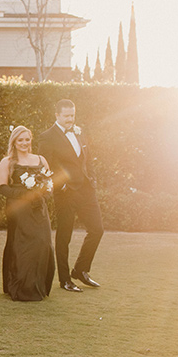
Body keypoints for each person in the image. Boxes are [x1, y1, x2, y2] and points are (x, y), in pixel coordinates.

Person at [38, 99, 103, 291]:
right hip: (65, 194)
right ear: (57, 115)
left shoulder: (80, 132)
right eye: (66, 116)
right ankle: (65, 279)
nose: (70, 119)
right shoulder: (47, 136)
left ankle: (81, 270)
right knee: (64, 236)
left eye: (72, 115)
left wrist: (92, 179)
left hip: (86, 190)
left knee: (97, 229)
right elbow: (45, 165)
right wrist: (61, 185)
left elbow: (87, 159)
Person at [0, 126, 56, 301]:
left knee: (42, 242)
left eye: (27, 139)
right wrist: (25, 195)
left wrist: (42, 194)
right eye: (20, 140)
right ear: (14, 142)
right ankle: (21, 287)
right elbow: (2, 188)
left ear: (31, 140)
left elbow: (49, 184)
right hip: (18, 208)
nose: (24, 143)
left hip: (39, 207)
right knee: (22, 245)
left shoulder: (40, 159)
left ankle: (38, 285)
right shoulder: (7, 162)